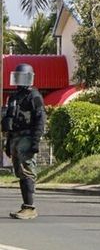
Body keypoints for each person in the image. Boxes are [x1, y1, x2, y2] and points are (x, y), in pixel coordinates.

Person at [1, 63, 46, 220]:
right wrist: (8, 143)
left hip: (26, 138)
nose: (19, 81)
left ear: (29, 78)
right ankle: (25, 206)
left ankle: (30, 208)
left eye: (23, 77)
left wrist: (35, 141)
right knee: (20, 172)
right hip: (15, 138)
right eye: (17, 77)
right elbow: (10, 120)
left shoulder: (34, 95)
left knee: (26, 171)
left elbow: (41, 118)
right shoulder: (14, 97)